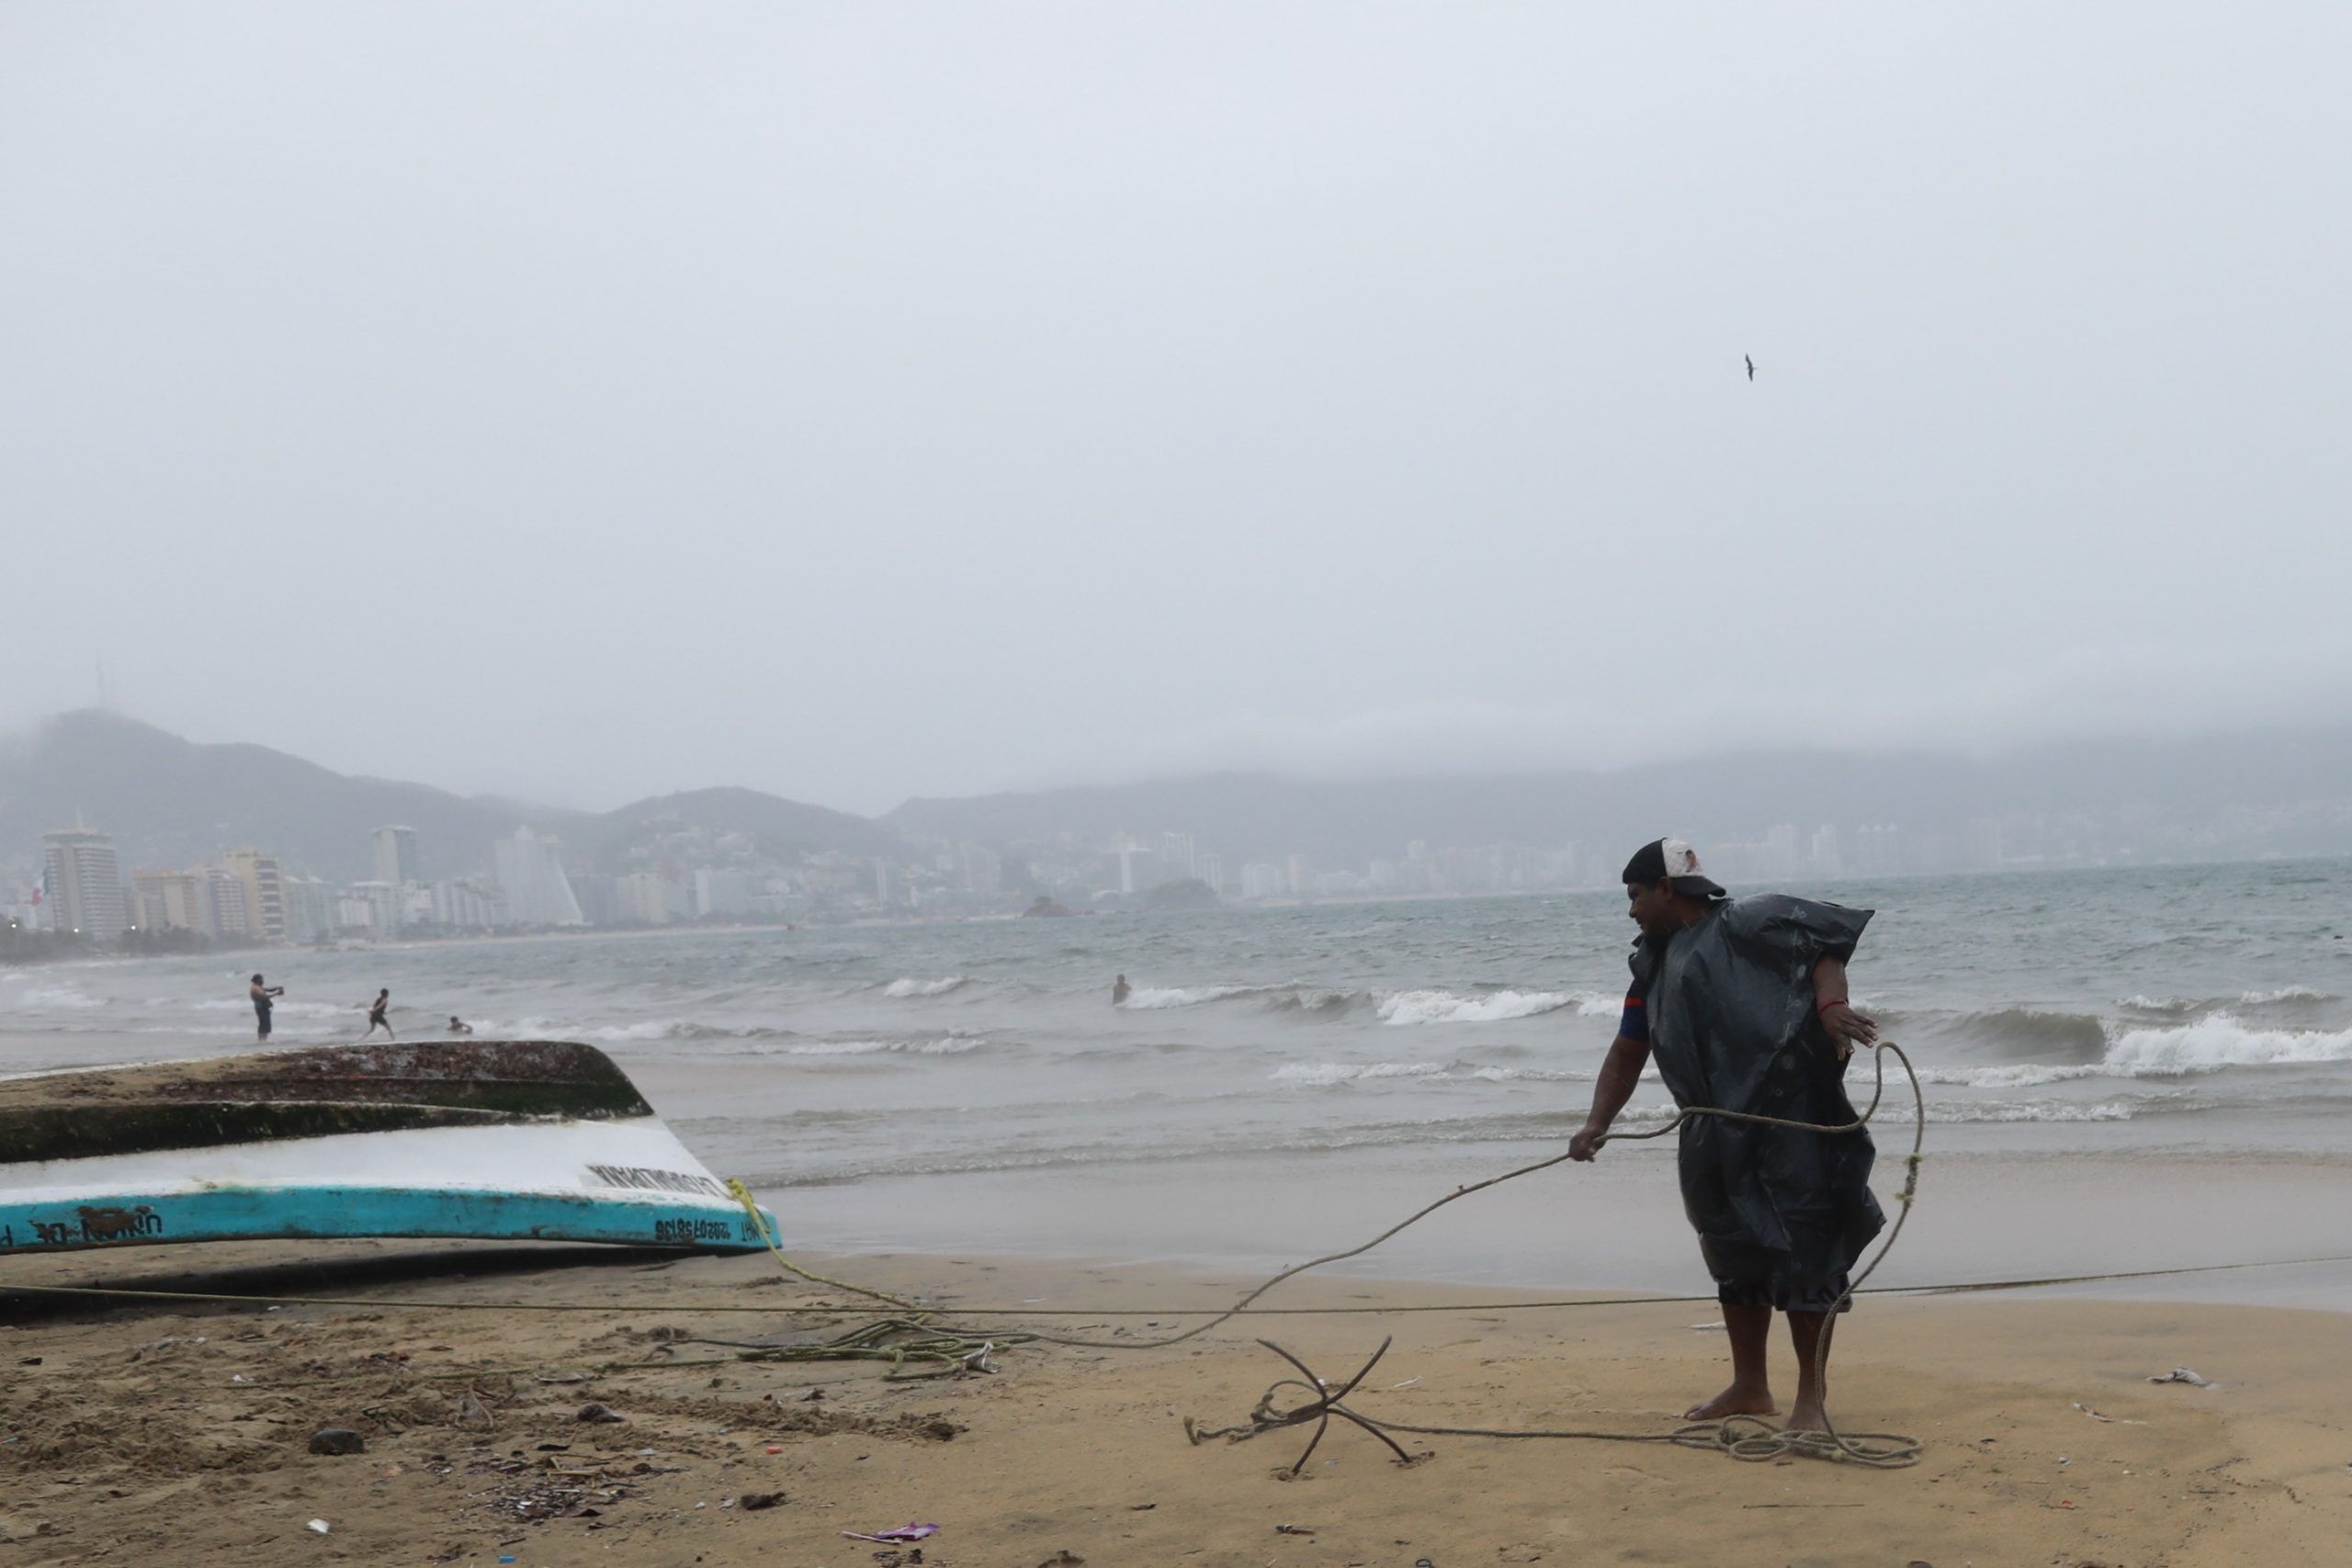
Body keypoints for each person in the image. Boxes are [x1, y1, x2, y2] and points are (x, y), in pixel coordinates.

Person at [1568, 838, 1883, 1433]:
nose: (1631, 910)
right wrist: (1596, 1122)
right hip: (1708, 1127)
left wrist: (1830, 1006)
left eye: (1635, 895)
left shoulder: (1749, 921)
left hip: (1784, 1119)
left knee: (1804, 1253)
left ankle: (1810, 1401)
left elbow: (1824, 948)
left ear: (1667, 887)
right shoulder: (1653, 964)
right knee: (1731, 1253)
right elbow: (1628, 1046)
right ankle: (1750, 1385)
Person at [250, 974, 284, 1041]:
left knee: (264, 1025)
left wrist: (277, 988)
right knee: (264, 1025)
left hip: (262, 1008)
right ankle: (262, 1040)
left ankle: (262, 1040)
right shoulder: (256, 988)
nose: (262, 981)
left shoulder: (258, 987)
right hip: (261, 1008)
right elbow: (264, 997)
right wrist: (277, 994)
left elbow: (269, 990)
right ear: (257, 980)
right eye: (261, 979)